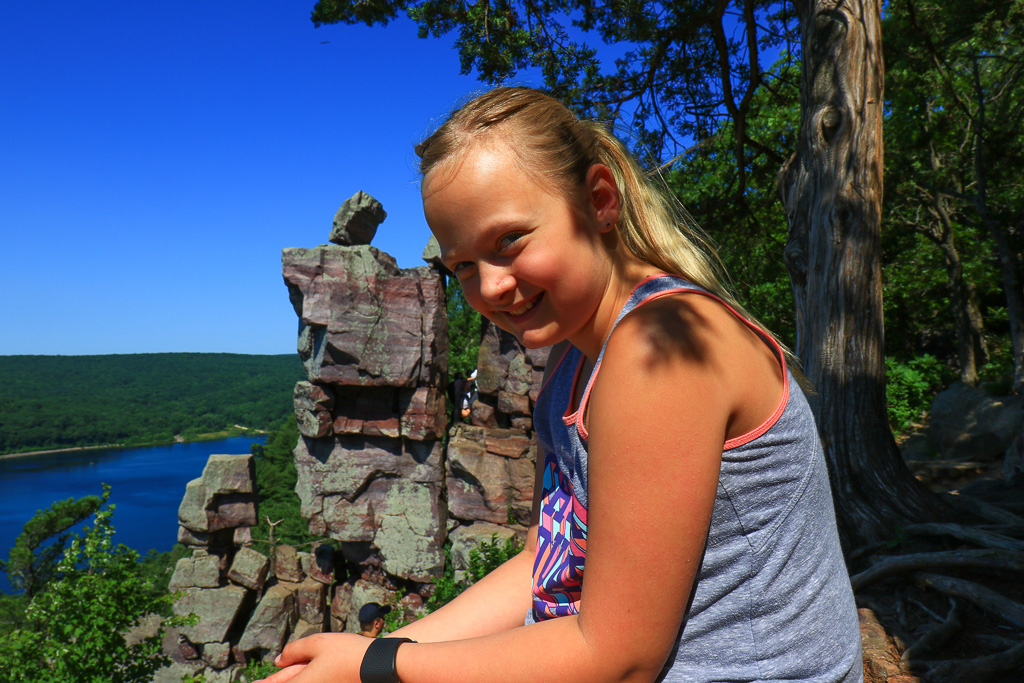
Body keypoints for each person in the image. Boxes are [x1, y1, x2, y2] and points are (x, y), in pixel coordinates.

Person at [260, 87, 863, 682]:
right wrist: (384, 651)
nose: (489, 287)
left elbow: (616, 657)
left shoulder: (660, 349)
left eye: (509, 241)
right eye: (462, 266)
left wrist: (378, 668)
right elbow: (539, 563)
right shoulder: (572, 363)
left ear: (600, 201)